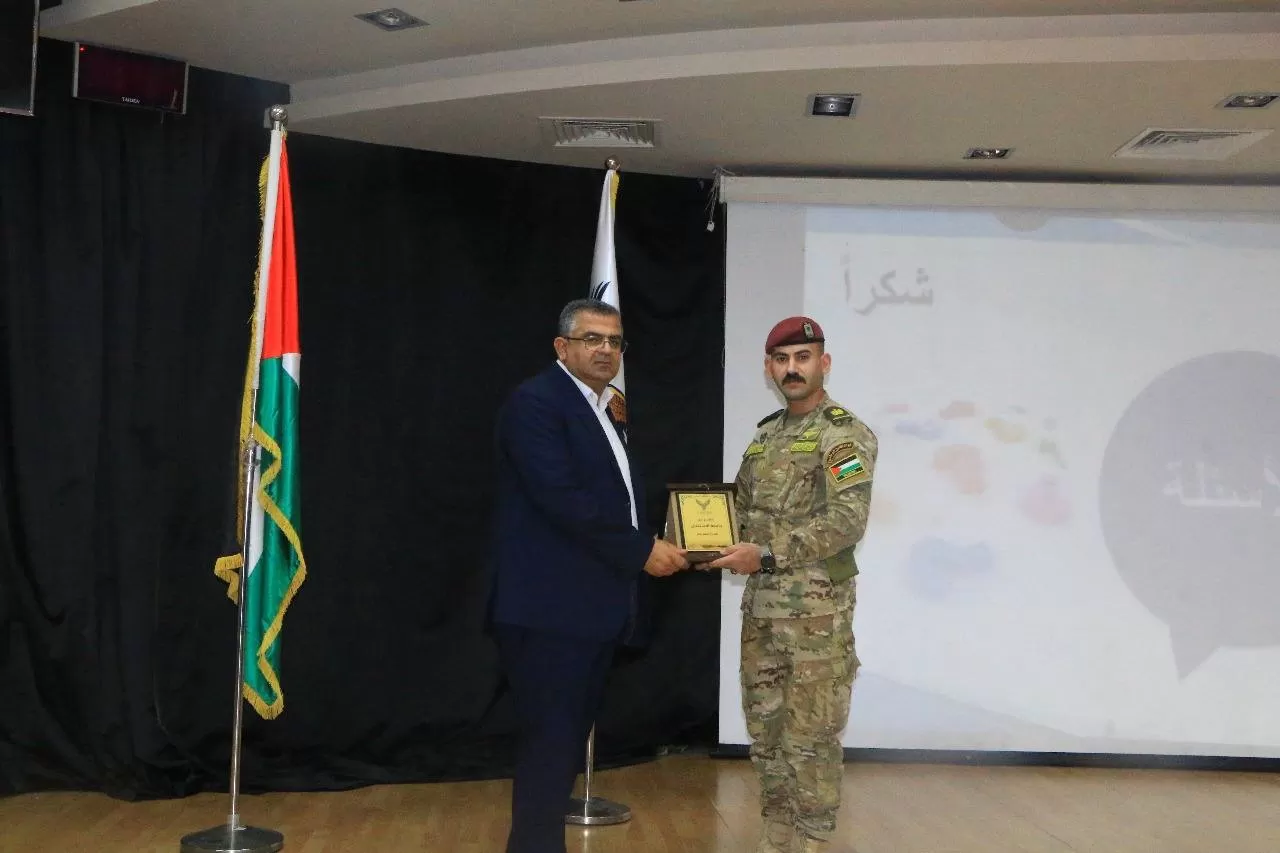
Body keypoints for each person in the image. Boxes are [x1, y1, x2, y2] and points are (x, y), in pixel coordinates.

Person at [488, 298, 689, 853]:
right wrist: (640, 551)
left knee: (562, 745)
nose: (605, 350)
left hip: (590, 608)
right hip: (550, 611)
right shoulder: (537, 402)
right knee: (551, 745)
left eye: (614, 341)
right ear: (562, 347)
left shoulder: (604, 408)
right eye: (592, 339)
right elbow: (562, 499)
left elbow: (614, 497)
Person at [709, 316, 877, 853]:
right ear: (769, 368)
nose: (792, 369)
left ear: (823, 363)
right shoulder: (765, 436)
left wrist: (766, 553)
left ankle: (813, 841)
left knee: (811, 740)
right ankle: (776, 838)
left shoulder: (842, 434)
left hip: (815, 622)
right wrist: (696, 539)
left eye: (803, 358)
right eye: (782, 360)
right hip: (761, 613)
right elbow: (737, 511)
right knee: (766, 737)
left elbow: (847, 520)